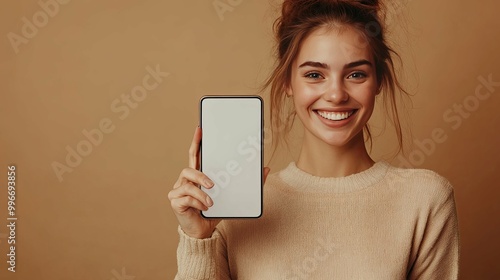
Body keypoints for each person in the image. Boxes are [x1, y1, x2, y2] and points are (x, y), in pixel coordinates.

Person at [168, 0, 460, 279]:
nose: (336, 94)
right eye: (314, 74)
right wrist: (198, 238)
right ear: (287, 82)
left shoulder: (424, 199)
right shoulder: (235, 204)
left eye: (356, 74)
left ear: (379, 81)